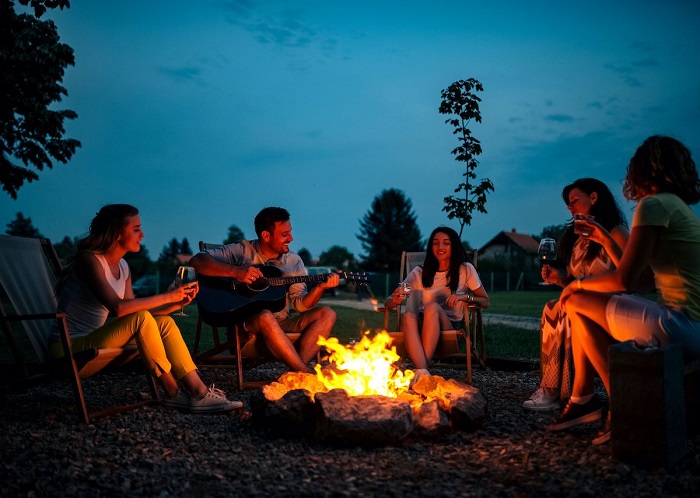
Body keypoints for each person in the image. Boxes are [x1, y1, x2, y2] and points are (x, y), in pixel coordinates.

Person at [548, 135, 700, 445]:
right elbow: (643, 281)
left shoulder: (654, 205)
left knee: (575, 301)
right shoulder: (677, 207)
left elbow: (625, 282)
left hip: (679, 326)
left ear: (642, 170)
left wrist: (575, 284)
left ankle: (619, 404)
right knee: (579, 306)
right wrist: (605, 240)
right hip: (691, 326)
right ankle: (582, 397)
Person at [51, 204, 241, 413]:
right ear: (116, 232)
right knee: (142, 319)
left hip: (94, 338)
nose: (142, 234)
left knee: (165, 322)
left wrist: (174, 304)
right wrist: (166, 296)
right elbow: (118, 308)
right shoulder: (89, 260)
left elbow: (133, 314)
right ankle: (172, 392)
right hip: (67, 347)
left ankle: (199, 391)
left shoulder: (123, 266)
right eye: (136, 229)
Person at [189, 206, 339, 374]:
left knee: (328, 313)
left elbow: (300, 306)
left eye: (290, 232)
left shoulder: (294, 261)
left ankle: (296, 373)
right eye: (284, 234)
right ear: (266, 235)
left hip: (282, 323)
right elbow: (197, 261)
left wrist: (320, 288)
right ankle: (304, 373)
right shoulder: (242, 251)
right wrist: (236, 272)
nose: (291, 238)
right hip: (248, 327)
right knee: (265, 315)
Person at [523, 179, 629, 411]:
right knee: (554, 306)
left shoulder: (617, 233)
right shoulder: (577, 241)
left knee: (563, 307)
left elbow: (628, 278)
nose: (570, 208)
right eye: (568, 205)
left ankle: (567, 391)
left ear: (593, 197)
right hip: (581, 303)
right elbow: (574, 284)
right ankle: (555, 389)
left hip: (611, 306)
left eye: (574, 201)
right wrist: (560, 280)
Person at [384, 226, 489, 379]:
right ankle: (423, 373)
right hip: (421, 328)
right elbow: (389, 302)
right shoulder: (420, 273)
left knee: (432, 307)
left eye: (446, 243)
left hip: (450, 329)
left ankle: (421, 369)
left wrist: (464, 298)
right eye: (435, 243)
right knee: (408, 316)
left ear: (453, 245)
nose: (440, 247)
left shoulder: (465, 270)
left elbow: (485, 302)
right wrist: (395, 299)